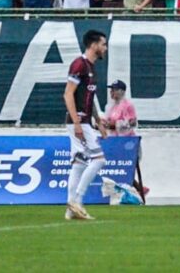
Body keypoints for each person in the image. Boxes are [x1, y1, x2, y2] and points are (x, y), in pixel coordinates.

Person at [63, 29, 109, 222]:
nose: (105, 48)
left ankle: (70, 209)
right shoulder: (79, 64)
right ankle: (78, 201)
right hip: (78, 121)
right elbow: (67, 94)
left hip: (85, 121)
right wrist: (77, 123)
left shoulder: (91, 67)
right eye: (103, 44)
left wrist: (98, 121)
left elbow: (90, 98)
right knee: (99, 159)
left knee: (80, 163)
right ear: (93, 45)